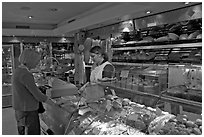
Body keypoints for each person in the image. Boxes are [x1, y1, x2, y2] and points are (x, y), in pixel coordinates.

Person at [12, 48, 56, 135]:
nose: (37, 63)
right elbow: (38, 95)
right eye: (36, 61)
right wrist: (53, 103)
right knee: (32, 133)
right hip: (28, 110)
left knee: (23, 132)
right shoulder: (26, 74)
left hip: (20, 108)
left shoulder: (18, 71)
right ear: (30, 60)